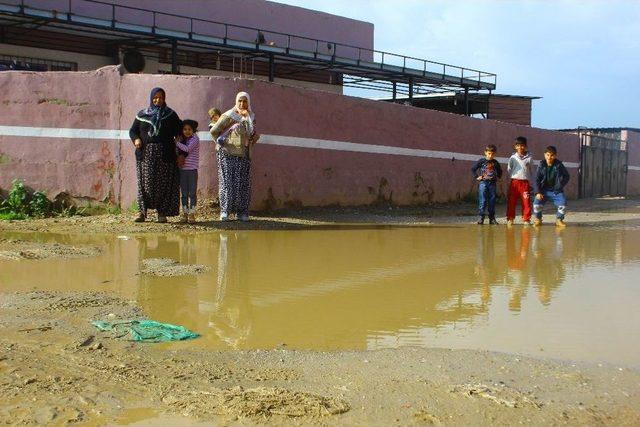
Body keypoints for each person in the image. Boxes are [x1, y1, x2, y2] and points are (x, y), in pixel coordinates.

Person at [129, 87, 182, 223]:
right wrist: (136, 139)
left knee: (163, 184)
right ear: (151, 98)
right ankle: (142, 212)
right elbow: (133, 131)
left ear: (164, 98)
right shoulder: (142, 115)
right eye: (155, 97)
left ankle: (162, 213)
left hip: (165, 155)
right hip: (145, 155)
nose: (158, 100)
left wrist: (179, 138)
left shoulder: (170, 114)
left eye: (161, 97)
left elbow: (180, 129)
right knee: (145, 184)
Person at [210, 92, 260, 221]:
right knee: (227, 183)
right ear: (236, 102)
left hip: (244, 155)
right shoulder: (229, 115)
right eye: (240, 101)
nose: (242, 104)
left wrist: (253, 137)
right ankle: (225, 211)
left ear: (248, 102)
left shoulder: (251, 117)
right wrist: (221, 145)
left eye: (245, 101)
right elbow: (214, 131)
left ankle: (242, 212)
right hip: (227, 154)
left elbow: (251, 133)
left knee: (243, 184)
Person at [532, 145, 570, 227]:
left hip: (556, 191)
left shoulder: (559, 165)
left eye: (552, 155)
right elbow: (536, 179)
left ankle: (559, 220)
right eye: (548, 155)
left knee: (563, 204)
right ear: (544, 155)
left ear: (555, 156)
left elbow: (567, 176)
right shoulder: (541, 165)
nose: (549, 157)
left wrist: (560, 186)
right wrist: (537, 192)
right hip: (543, 191)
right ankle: (538, 219)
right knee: (536, 204)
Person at [175, 119, 200, 224]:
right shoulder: (181, 140)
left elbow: (188, 149)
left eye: (189, 129)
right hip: (182, 170)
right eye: (184, 129)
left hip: (192, 170)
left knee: (192, 194)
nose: (187, 131)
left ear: (193, 130)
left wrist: (176, 143)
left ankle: (192, 214)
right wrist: (177, 142)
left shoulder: (195, 139)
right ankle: (185, 214)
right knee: (184, 194)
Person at [471, 144, 502, 225]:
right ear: (485, 153)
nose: (490, 155)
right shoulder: (481, 161)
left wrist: (498, 177)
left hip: (492, 184)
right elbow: (473, 169)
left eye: (492, 154)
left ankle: (492, 218)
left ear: (494, 154)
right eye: (489, 153)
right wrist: (476, 177)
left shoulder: (495, 162)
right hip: (483, 183)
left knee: (492, 201)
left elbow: (500, 171)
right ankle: (481, 217)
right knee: (483, 200)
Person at [506, 136, 533, 226]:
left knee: (526, 202)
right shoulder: (513, 157)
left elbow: (531, 170)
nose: (520, 147)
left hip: (525, 183)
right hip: (514, 183)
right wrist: (512, 179)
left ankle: (526, 219)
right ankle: (510, 218)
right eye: (518, 145)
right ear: (515, 147)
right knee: (512, 201)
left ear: (525, 146)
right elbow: (509, 169)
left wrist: (531, 183)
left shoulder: (529, 158)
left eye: (522, 145)